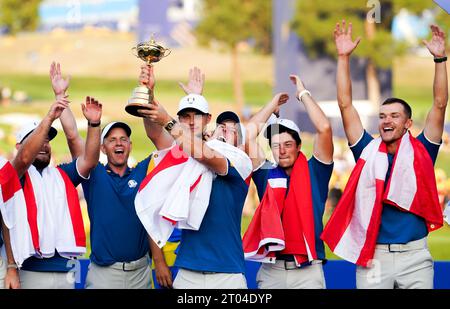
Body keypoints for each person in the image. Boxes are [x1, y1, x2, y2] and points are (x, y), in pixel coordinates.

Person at [321, 21, 447, 289]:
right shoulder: (367, 150)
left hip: (415, 256)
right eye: (382, 116)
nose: (386, 121)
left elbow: (439, 104)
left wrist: (439, 60)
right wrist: (343, 58)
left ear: (408, 124)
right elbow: (345, 106)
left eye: (394, 116)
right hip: (373, 256)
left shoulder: (423, 150)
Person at [138, 66, 253, 289]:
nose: (191, 121)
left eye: (197, 116)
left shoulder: (240, 161)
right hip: (188, 271)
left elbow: (205, 154)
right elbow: (155, 133)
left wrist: (169, 121)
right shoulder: (184, 156)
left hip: (227, 273)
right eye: (185, 116)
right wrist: (148, 92)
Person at [242, 75, 334, 289]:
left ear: (299, 146)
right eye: (275, 145)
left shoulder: (315, 171)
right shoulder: (266, 172)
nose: (281, 150)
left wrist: (302, 94)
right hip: (272, 270)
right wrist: (272, 104)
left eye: (288, 144)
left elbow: (325, 129)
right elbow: (247, 137)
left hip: (308, 271)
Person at [10, 93, 102, 289]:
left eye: (47, 140)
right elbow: (25, 159)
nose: (43, 144)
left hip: (66, 270)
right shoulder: (16, 174)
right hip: (30, 271)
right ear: (19, 146)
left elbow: (89, 161)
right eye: (37, 139)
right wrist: (50, 118)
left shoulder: (62, 174)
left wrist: (94, 125)